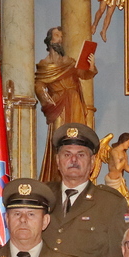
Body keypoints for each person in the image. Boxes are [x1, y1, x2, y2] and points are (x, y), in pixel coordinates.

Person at [43, 123, 129, 257]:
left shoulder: (110, 203)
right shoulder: (42, 197)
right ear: (57, 161)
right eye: (67, 154)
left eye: (81, 155)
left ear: (92, 162)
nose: (73, 160)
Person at [36, 26, 96, 181]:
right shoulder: (44, 65)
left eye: (62, 37)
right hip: (58, 105)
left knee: (78, 137)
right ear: (49, 40)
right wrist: (49, 103)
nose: (60, 40)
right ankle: (55, 178)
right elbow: (39, 86)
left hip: (75, 102)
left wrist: (90, 67)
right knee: (59, 138)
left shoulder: (69, 62)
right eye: (57, 36)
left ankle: (80, 175)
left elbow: (83, 74)